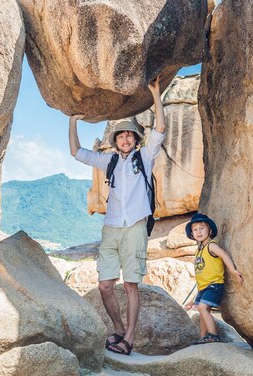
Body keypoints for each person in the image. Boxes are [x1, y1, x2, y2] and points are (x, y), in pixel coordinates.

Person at [68, 77, 166, 355]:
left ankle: (130, 339)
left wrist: (156, 95)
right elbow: (76, 152)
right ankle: (119, 330)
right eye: (121, 135)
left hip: (135, 226)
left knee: (132, 284)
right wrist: (73, 122)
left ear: (135, 139)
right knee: (105, 285)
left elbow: (159, 128)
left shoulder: (144, 157)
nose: (125, 138)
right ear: (115, 140)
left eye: (129, 135)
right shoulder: (108, 161)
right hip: (111, 228)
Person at [184, 213, 243, 344]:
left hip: (214, 285)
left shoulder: (211, 245)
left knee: (202, 308)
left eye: (202, 228)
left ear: (210, 230)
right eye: (195, 229)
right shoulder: (199, 249)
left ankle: (213, 335)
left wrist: (232, 270)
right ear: (192, 233)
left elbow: (224, 254)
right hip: (204, 287)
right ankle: (203, 337)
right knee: (202, 309)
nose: (198, 232)